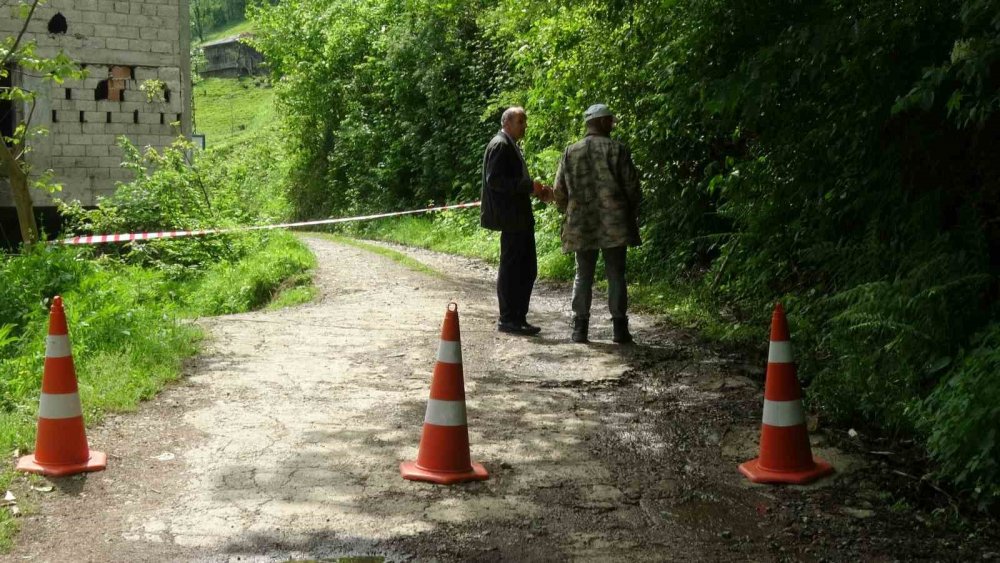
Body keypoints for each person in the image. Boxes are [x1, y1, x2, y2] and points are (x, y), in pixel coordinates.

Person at [553, 103, 641, 344]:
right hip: (615, 224)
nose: (612, 124)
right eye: (610, 120)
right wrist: (630, 212)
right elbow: (633, 187)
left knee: (583, 274)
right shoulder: (617, 150)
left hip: (581, 224)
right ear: (601, 122)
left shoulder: (571, 152)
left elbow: (559, 192)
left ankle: (579, 329)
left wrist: (569, 211)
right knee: (616, 275)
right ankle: (619, 329)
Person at [481, 106, 553, 336]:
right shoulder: (500, 145)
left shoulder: (508, 144)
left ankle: (518, 317)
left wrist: (533, 190)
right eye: (520, 121)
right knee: (514, 268)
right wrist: (527, 186)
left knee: (526, 268)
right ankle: (509, 318)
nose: (524, 126)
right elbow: (495, 181)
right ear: (507, 123)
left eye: (525, 121)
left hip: (519, 218)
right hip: (511, 219)